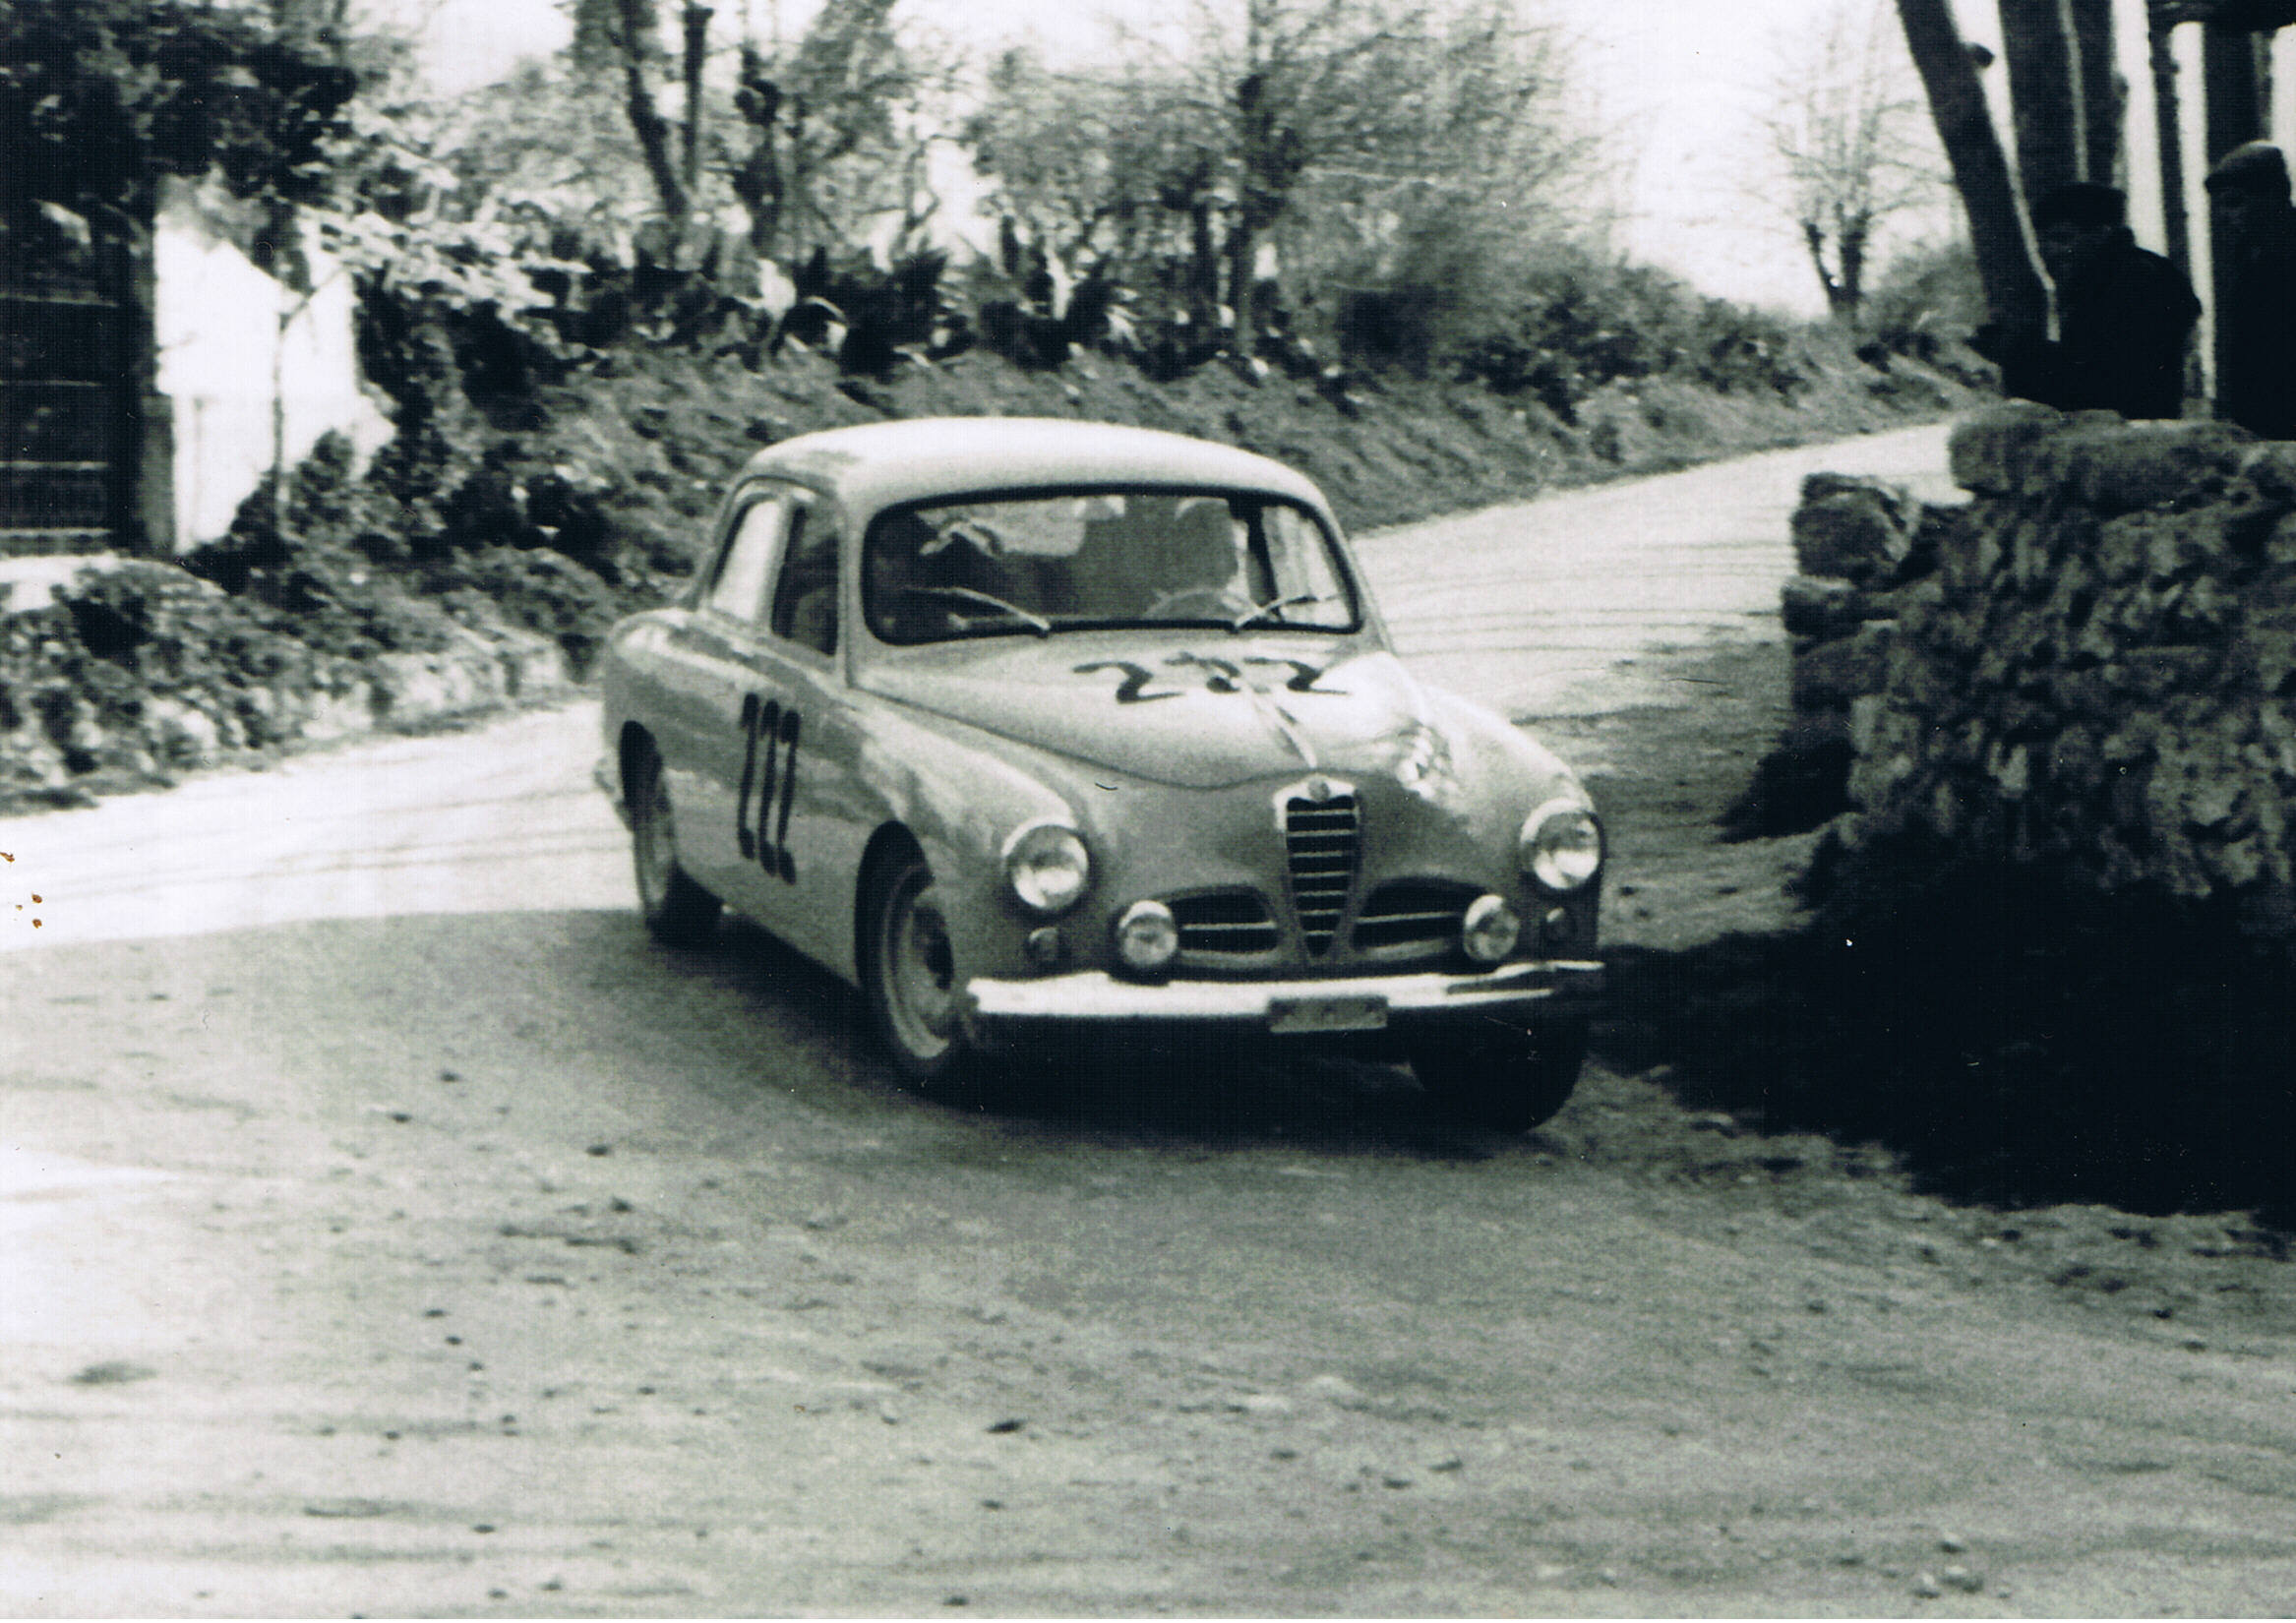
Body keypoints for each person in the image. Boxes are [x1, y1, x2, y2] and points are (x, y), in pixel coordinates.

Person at [1971, 182, 2200, 421]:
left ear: (2102, 234)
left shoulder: (2137, 281)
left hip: (2133, 434)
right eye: (2042, 242)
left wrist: (2019, 353)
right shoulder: (2101, 282)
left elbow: (2106, 383)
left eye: (2063, 239)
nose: (2049, 252)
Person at [2206, 142, 2296, 440]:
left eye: (2235, 202)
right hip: (2260, 425)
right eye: (2221, 206)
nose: (2224, 216)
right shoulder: (2249, 255)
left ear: (2272, 195)